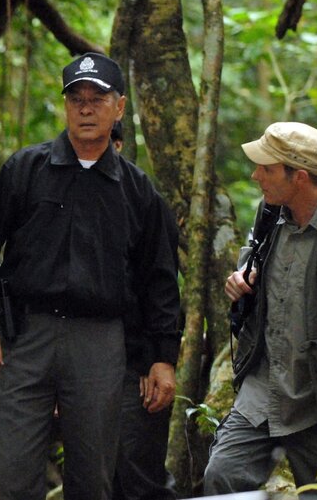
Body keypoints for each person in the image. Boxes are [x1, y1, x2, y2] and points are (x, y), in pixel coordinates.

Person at [0, 52, 181, 500]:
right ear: (65, 106)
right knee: (16, 475)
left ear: (119, 108)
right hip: (27, 336)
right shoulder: (25, 169)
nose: (85, 108)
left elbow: (160, 282)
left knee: (92, 476)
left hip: (99, 343)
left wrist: (162, 357)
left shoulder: (138, 191)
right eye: (76, 98)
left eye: (97, 99)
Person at [203, 122, 317, 495]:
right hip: (265, 385)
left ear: (299, 177)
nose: (256, 176)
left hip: (313, 396)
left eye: (266, 169)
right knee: (223, 475)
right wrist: (242, 280)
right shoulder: (270, 216)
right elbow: (253, 271)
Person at [108, 119, 178, 500]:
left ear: (119, 147)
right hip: (86, 363)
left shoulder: (144, 200)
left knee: (139, 471)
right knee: (100, 473)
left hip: (137, 364)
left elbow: (163, 288)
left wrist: (159, 359)